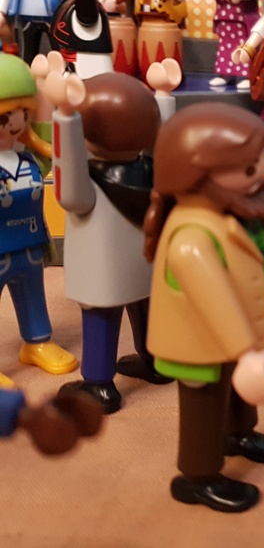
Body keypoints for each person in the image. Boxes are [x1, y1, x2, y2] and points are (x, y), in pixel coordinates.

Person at [143, 103, 264, 513]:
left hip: (238, 336)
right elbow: (214, 303)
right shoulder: (191, 238)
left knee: (238, 394)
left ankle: (238, 435)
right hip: (197, 343)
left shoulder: (247, 211)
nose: (260, 172)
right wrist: (245, 352)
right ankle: (197, 476)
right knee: (205, 403)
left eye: (258, 161)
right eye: (248, 168)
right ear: (197, 175)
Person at [44, 53, 180, 413]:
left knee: (101, 317)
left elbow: (67, 189)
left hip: (103, 273)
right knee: (146, 306)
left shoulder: (90, 186)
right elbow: (163, 142)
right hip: (146, 264)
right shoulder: (154, 172)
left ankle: (99, 385)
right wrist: (163, 97)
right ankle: (156, 362)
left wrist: (64, 117)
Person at [0, 53, 77, 382]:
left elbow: (52, 146)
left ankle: (37, 341)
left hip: (30, 246)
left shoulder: (29, 160)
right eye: (4, 117)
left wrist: (45, 92)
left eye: (22, 113)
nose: (13, 124)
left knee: (33, 294)